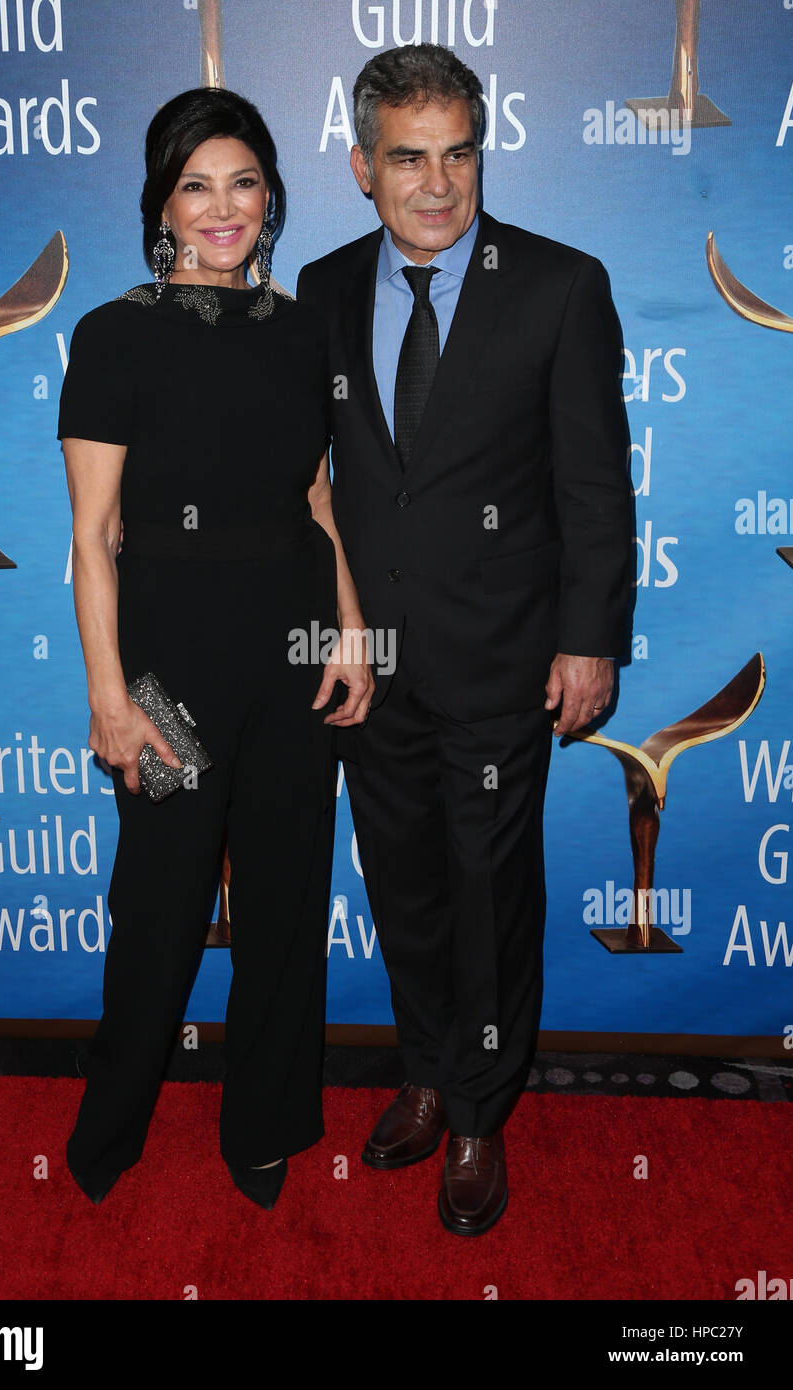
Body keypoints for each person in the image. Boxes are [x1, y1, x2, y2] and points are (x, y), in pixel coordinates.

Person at [296, 44, 633, 1236]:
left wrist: (589, 640)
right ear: (361, 167)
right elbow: (311, 476)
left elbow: (595, 487)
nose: (437, 185)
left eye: (458, 155)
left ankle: (483, 1112)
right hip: (369, 669)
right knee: (405, 888)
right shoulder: (324, 288)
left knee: (489, 890)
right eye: (408, 158)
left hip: (501, 661)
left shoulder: (557, 284)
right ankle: (428, 1073)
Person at [57, 87, 373, 1211]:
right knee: (159, 899)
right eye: (198, 184)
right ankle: (110, 1122)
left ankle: (266, 1123)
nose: (224, 206)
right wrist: (108, 697)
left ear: (272, 198)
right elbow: (93, 538)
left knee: (288, 897)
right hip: (168, 665)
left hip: (290, 647)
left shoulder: (301, 331)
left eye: (244, 182)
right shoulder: (113, 333)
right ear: (163, 204)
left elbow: (317, 496)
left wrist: (349, 632)